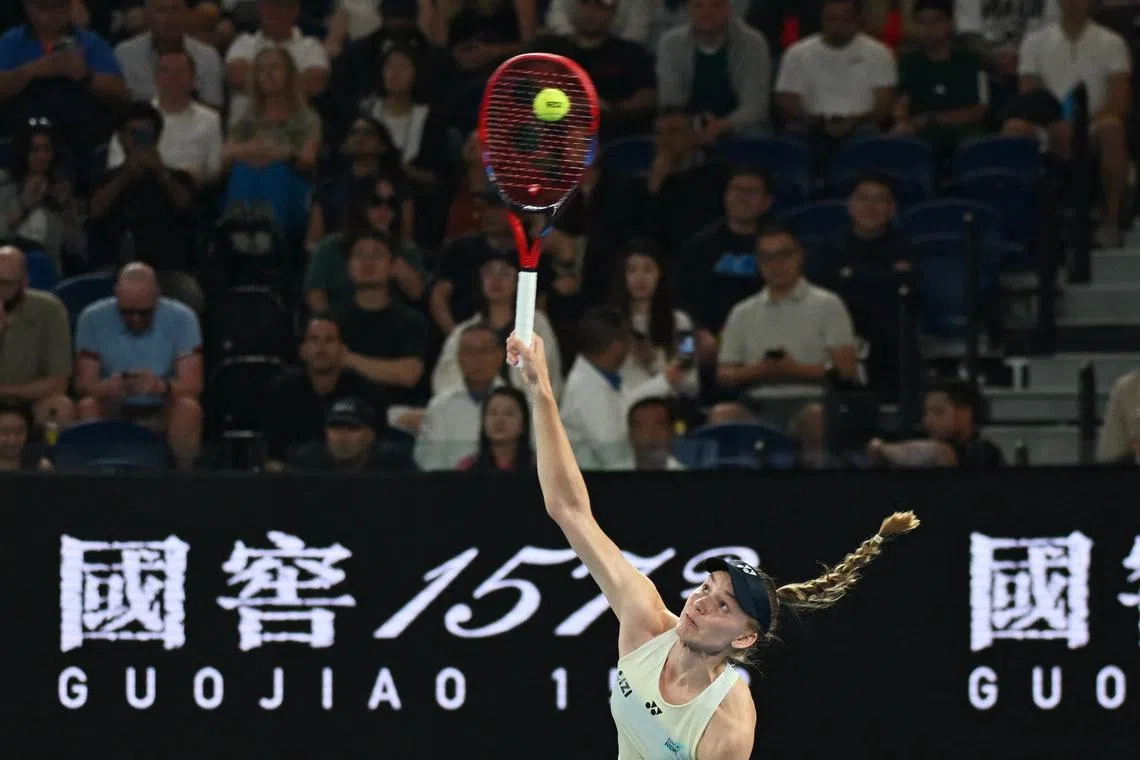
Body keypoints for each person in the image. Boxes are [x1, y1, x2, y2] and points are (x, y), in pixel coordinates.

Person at [505, 328, 919, 760]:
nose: (701, 603)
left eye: (724, 606)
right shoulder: (645, 622)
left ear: (743, 639)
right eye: (707, 588)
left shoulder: (727, 722)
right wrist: (541, 389)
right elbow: (569, 509)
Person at [457, 385, 535, 471]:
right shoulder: (468, 467)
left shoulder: (538, 466)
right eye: (493, 413)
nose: (499, 420)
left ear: (524, 424)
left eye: (509, 413)